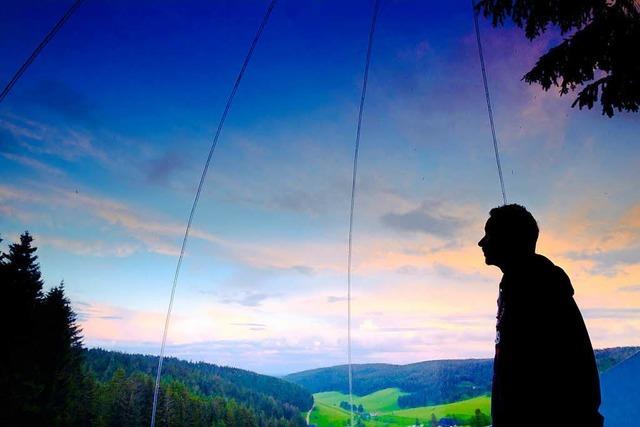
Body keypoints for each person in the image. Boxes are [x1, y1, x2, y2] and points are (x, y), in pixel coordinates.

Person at [478, 204, 603, 426]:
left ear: (508, 240)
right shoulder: (523, 285)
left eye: (489, 235)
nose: (481, 242)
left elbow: (535, 377)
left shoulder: (534, 291)